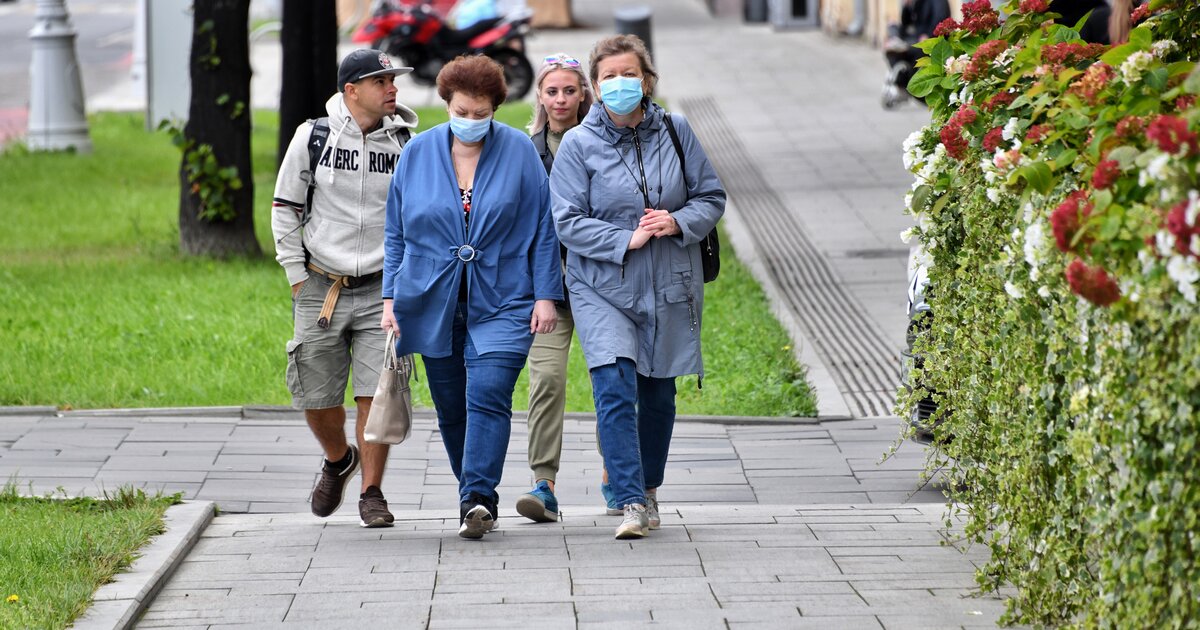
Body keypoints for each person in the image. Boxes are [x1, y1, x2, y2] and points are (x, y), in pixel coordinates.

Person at [549, 35, 726, 540]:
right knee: (613, 386)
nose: (620, 85)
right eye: (608, 77)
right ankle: (628, 499)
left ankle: (648, 489)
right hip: (601, 285)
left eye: (629, 75)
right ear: (594, 87)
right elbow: (566, 221)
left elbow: (711, 195)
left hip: (670, 282)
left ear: (647, 80)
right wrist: (627, 237)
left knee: (658, 395)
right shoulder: (579, 145)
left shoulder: (676, 130)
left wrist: (676, 221)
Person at [383, 55, 562, 539]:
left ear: (495, 109)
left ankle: (478, 496)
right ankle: (475, 499)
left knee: (487, 394)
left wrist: (546, 296)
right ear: (447, 104)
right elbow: (396, 232)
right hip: (428, 297)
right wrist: (389, 300)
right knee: (450, 407)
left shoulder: (520, 153)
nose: (471, 120)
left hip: (505, 297)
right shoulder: (417, 153)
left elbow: (543, 229)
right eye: (462, 110)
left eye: (481, 113)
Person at [271, 49, 418, 528]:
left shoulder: (406, 143)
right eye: (381, 80)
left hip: (383, 288)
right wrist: (296, 274)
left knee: (377, 394)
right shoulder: (312, 136)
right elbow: (286, 206)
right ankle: (339, 459)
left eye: (394, 79)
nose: (392, 87)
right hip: (320, 284)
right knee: (315, 395)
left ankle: (372, 494)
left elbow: (416, 217)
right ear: (351, 90)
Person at [514, 52, 596, 524]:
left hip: (603, 285)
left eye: (570, 90)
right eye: (552, 91)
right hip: (549, 288)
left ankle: (618, 473)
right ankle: (543, 483)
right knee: (545, 380)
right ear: (540, 96)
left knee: (612, 379)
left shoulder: (601, 142)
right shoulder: (527, 150)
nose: (561, 99)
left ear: (583, 93)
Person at [882, 0, 950, 107]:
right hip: (916, 39)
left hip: (931, 41)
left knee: (909, 52)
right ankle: (901, 85)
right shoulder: (916, 3)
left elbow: (940, 19)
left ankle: (909, 87)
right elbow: (905, 24)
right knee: (891, 50)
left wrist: (927, 35)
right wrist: (907, 7)